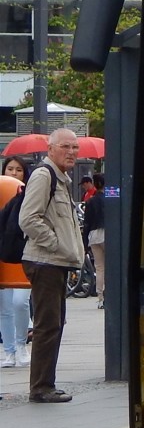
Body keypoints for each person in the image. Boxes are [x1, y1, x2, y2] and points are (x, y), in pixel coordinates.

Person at [20, 128, 85, 403]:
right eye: (66, 147)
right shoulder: (43, 176)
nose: (71, 152)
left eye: (75, 148)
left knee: (54, 324)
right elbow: (28, 219)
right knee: (48, 325)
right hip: (44, 260)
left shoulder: (62, 180)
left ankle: (46, 383)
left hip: (55, 262)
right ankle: (41, 387)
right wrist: (56, 244)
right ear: (51, 149)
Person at [0, 156, 31, 370]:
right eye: (10, 168)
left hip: (23, 254)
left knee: (20, 301)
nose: (13, 173)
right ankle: (9, 350)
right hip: (4, 253)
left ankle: (21, 344)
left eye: (18, 169)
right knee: (5, 307)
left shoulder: (28, 194)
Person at [82, 173, 106, 309]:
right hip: (107, 233)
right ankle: (109, 294)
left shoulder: (90, 201)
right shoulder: (109, 199)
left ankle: (100, 297)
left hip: (93, 235)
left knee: (99, 267)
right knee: (110, 267)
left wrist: (84, 243)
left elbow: (86, 223)